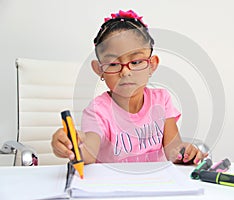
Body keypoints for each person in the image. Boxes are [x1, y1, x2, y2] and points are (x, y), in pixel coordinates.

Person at [51, 10, 208, 165]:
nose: (125, 71)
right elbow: (89, 153)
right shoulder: (97, 111)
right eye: (113, 64)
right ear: (100, 70)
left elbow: (173, 149)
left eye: (135, 62)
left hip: (156, 185)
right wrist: (73, 146)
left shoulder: (162, 100)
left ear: (151, 65)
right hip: (114, 187)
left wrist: (184, 152)